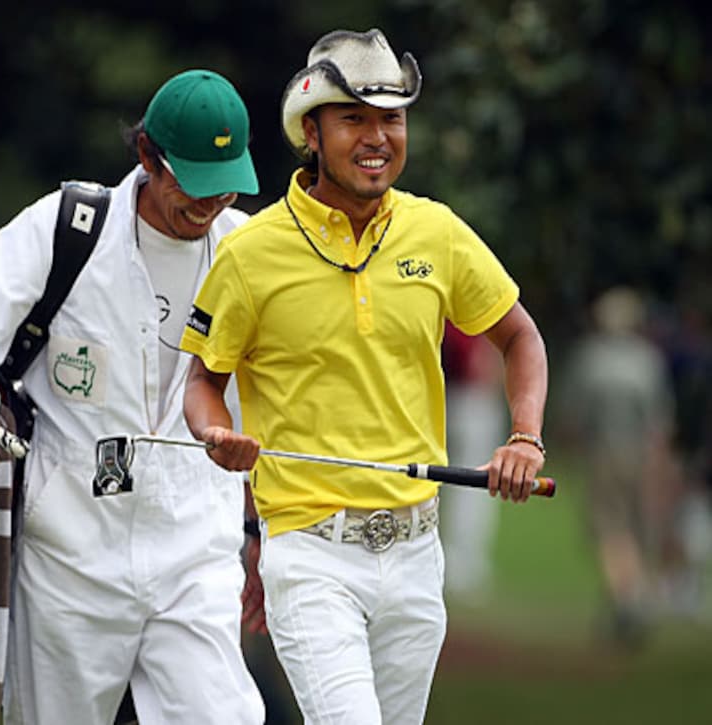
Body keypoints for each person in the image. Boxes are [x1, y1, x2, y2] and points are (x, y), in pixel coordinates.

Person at [0, 70, 265, 725]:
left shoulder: (248, 250)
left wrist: (258, 532)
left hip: (195, 546)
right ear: (146, 156)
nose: (212, 200)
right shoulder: (71, 227)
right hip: (72, 550)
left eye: (227, 181)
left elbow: (266, 397)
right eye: (193, 181)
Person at [180, 29, 549, 725]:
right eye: (355, 118)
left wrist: (525, 437)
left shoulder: (436, 231)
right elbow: (202, 381)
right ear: (311, 132)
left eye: (392, 118)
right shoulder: (251, 251)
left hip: (416, 556)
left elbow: (519, 336)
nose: (378, 137)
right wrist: (216, 434)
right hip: (311, 557)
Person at [562, 286, 676, 646]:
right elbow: (660, 421)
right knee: (639, 529)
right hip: (641, 455)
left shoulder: (591, 359)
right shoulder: (647, 360)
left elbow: (573, 416)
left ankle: (628, 602)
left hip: (603, 454)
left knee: (611, 531)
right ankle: (632, 598)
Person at [439, 322, 506, 601]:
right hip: (471, 400)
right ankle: (463, 565)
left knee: (436, 488)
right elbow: (483, 364)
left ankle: (447, 561)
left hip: (441, 399)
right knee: (474, 489)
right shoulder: (470, 311)